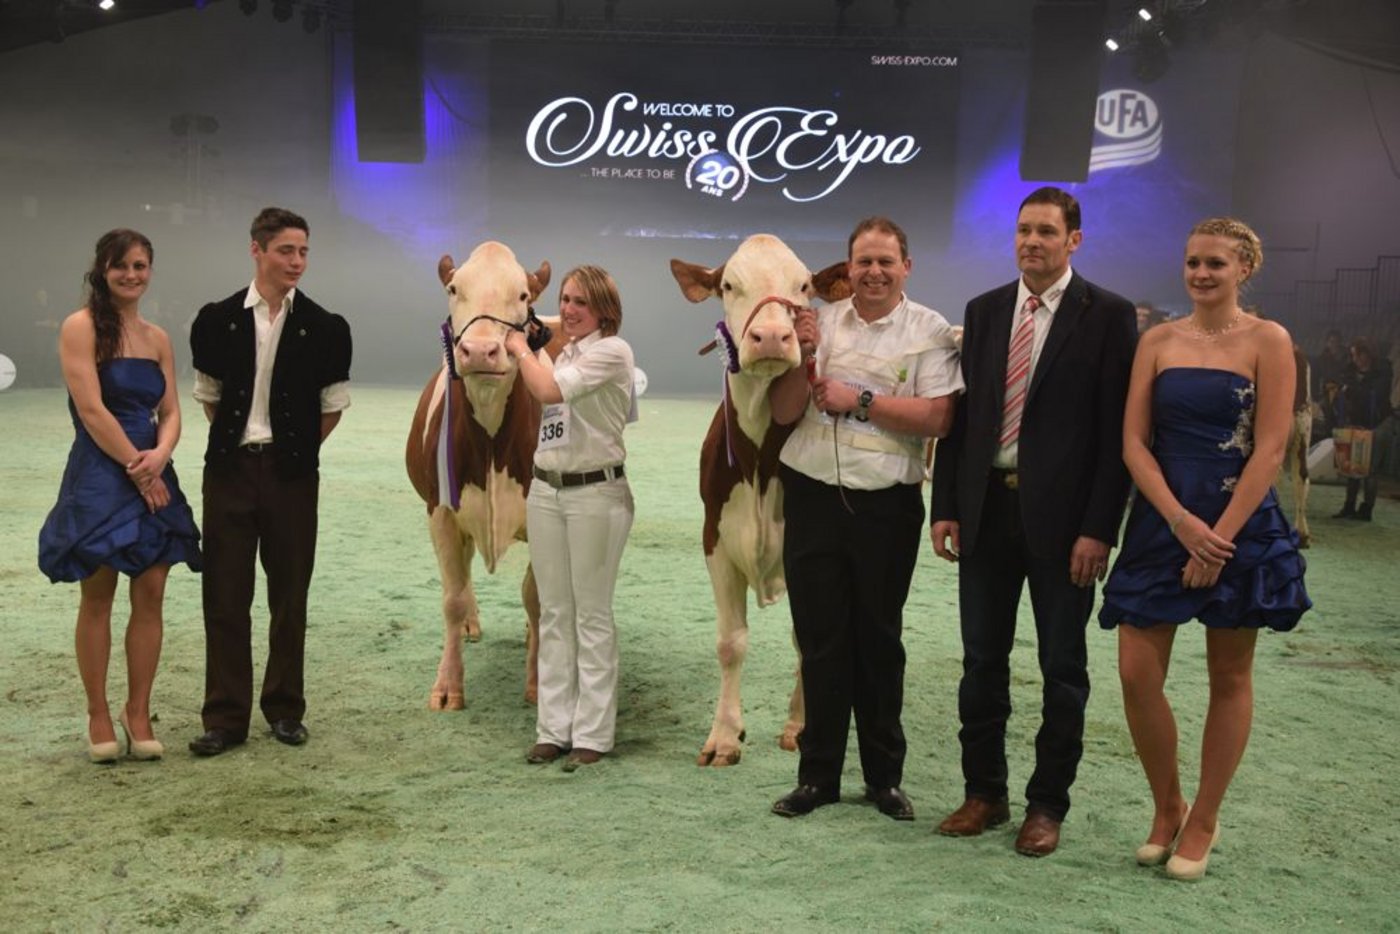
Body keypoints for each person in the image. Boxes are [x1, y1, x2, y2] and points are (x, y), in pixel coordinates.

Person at [1099, 217, 1311, 881]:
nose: (1200, 274)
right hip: (1164, 518)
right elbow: (1134, 442)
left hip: (1239, 523)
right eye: (1193, 262)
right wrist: (1180, 522)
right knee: (1136, 672)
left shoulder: (1270, 340)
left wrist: (1216, 538)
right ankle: (1168, 805)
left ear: (1244, 268)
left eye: (1215, 263)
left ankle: (1206, 817)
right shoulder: (1157, 341)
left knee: (1230, 675)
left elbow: (1272, 447)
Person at [930, 187, 1137, 856]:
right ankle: (984, 794)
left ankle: (1047, 806)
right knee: (981, 663)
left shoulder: (1106, 316)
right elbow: (962, 422)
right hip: (987, 512)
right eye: (1024, 230)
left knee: (1062, 668)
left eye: (1047, 231)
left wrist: (1099, 529)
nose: (1033, 242)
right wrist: (947, 507)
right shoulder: (985, 311)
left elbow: (1116, 435)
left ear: (1073, 239)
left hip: (1065, 527)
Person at [767, 217, 963, 820]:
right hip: (814, 497)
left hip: (886, 508)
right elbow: (782, 411)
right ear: (846, 269)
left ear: (907, 266)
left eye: (885, 261)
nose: (873, 272)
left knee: (879, 642)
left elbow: (937, 419)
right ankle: (817, 776)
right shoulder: (816, 324)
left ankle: (884, 779)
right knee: (820, 640)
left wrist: (862, 401)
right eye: (862, 262)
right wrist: (801, 357)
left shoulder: (928, 328)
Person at [187, 207, 352, 756]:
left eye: (303, 251)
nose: (297, 262)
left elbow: (332, 408)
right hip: (230, 471)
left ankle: (285, 710)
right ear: (256, 249)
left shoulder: (327, 327)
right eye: (286, 251)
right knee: (225, 597)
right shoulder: (215, 319)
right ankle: (225, 718)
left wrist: (293, 451)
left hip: (292, 475)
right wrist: (246, 445)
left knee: (289, 596)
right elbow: (209, 399)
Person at [38, 229, 202, 763]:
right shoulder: (79, 327)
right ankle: (98, 714)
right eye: (121, 266)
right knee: (98, 596)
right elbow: (91, 410)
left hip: (154, 472)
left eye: (140, 265)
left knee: (151, 594)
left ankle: (138, 711)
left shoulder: (157, 337)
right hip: (101, 476)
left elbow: (172, 411)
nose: (131, 275)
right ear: (102, 269)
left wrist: (160, 457)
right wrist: (139, 469)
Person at [504, 265, 635, 771]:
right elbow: (548, 377)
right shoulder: (570, 352)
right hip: (546, 490)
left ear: (605, 308)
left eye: (582, 301)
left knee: (592, 614)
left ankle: (593, 734)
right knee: (555, 613)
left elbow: (548, 392)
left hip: (596, 494)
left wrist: (521, 347)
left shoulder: (612, 351)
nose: (572, 309)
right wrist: (536, 344)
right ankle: (552, 729)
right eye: (566, 299)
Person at [1332, 337, 1392, 520]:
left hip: (1378, 422)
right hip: (1356, 422)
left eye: (1357, 355)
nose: (1355, 359)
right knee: (1352, 466)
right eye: (1353, 355)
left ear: (1366, 354)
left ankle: (1366, 509)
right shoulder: (1349, 371)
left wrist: (1351, 390)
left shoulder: (1382, 370)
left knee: (1370, 469)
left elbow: (1374, 396)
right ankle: (1349, 506)